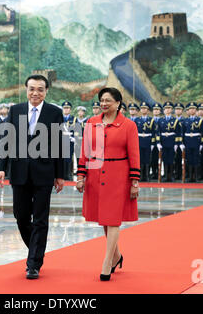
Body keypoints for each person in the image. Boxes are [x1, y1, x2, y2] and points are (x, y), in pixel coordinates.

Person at [0, 74, 65, 280]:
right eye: (32, 89)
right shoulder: (15, 110)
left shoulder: (54, 112)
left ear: (46, 91)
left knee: (41, 218)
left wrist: (60, 175)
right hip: (19, 172)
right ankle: (36, 251)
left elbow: (60, 144)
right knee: (21, 215)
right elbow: (6, 140)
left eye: (40, 89)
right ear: (26, 90)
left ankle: (33, 263)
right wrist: (1, 167)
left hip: (44, 173)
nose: (36, 93)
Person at [76, 87, 139, 281]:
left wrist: (135, 181)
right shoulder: (91, 123)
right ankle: (117, 256)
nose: (103, 104)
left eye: (108, 101)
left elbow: (134, 154)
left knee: (112, 219)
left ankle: (106, 262)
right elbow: (85, 151)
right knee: (104, 219)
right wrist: (81, 175)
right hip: (95, 175)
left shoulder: (128, 126)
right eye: (101, 100)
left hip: (118, 177)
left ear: (118, 103)